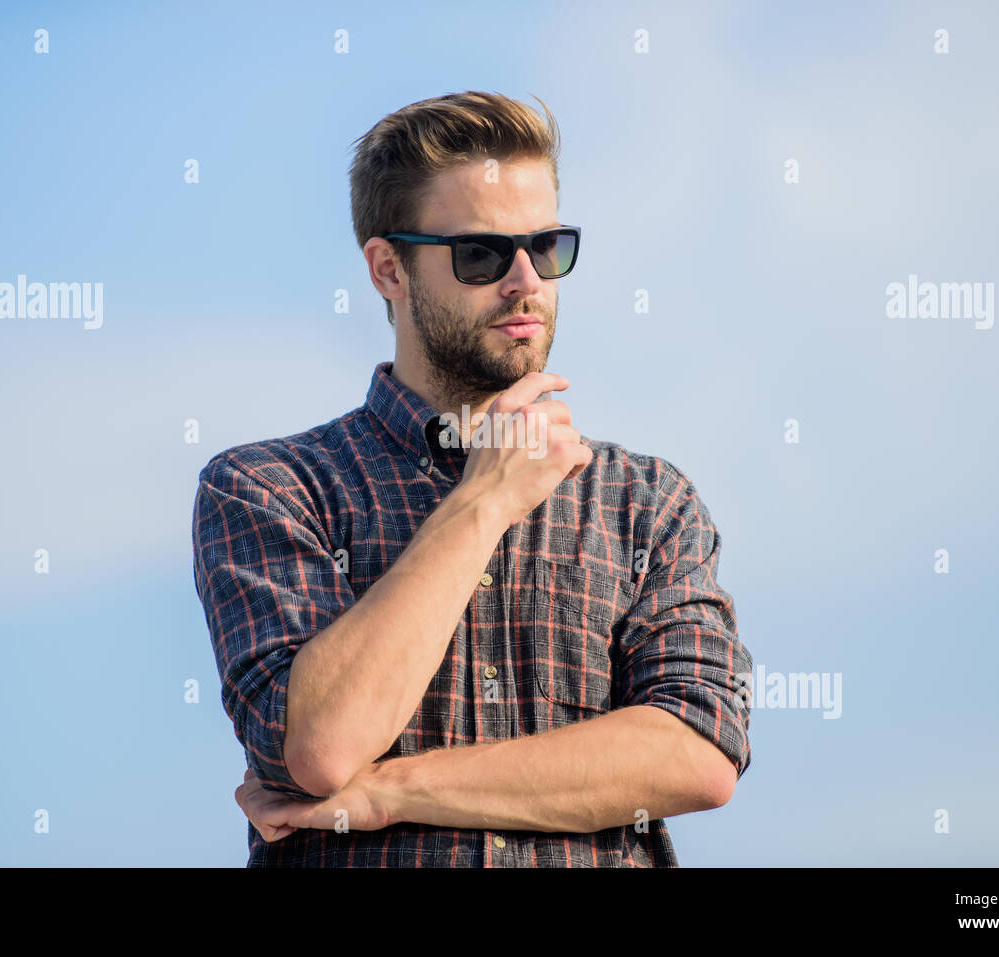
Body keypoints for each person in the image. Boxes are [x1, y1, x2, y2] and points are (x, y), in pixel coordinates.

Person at [191, 90, 752, 867]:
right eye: (482, 254)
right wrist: (484, 500)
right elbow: (320, 747)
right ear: (389, 268)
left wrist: (391, 791)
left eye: (546, 247)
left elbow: (695, 752)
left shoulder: (647, 503)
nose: (526, 281)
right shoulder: (269, 487)